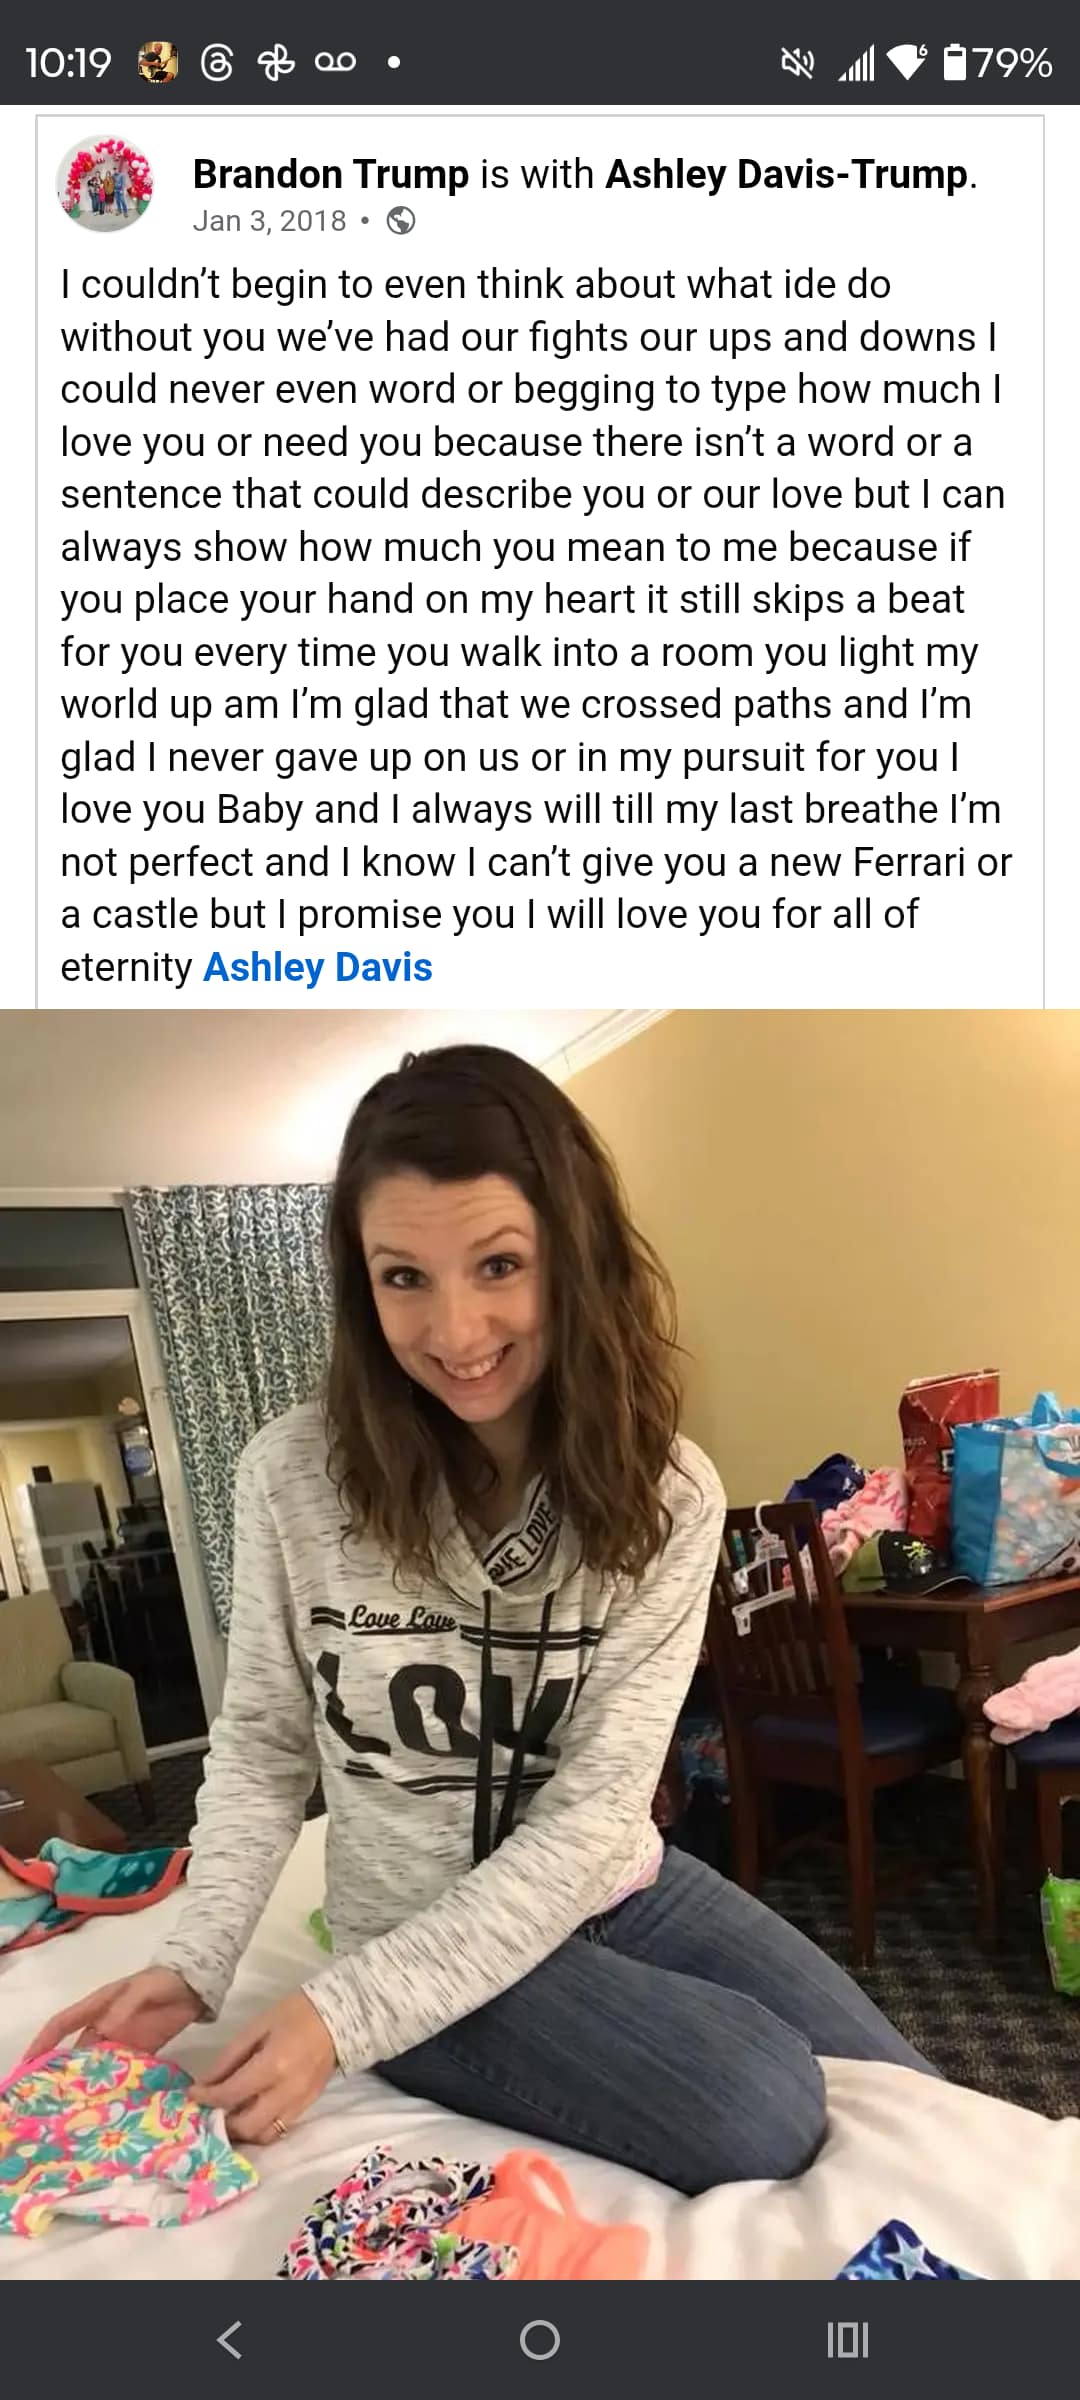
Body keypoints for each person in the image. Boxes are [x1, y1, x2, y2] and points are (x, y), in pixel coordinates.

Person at [30, 1046, 930, 2195]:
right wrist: (206, 1965)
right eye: (404, 1277)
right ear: (361, 1285)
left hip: (614, 1888)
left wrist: (340, 2015)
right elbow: (261, 1748)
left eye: (500, 1264)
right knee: (763, 2103)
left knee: (914, 2089)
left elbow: (594, 1819)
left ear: (575, 1257)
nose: (456, 1332)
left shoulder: (669, 1493)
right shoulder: (290, 1477)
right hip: (406, 1931)